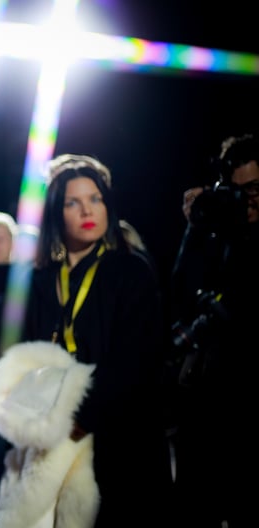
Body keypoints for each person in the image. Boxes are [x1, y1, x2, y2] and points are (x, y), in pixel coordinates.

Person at [20, 153, 173, 527]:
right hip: (55, 437)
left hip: (119, 437)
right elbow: (27, 355)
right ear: (57, 211)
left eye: (95, 199)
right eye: (73, 202)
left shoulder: (129, 269)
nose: (87, 210)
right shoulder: (41, 279)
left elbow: (135, 360)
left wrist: (78, 413)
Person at [170, 133, 259, 527]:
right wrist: (197, 225)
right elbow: (180, 292)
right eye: (237, 191)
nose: (246, 200)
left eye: (254, 189)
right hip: (213, 405)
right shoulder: (220, 236)